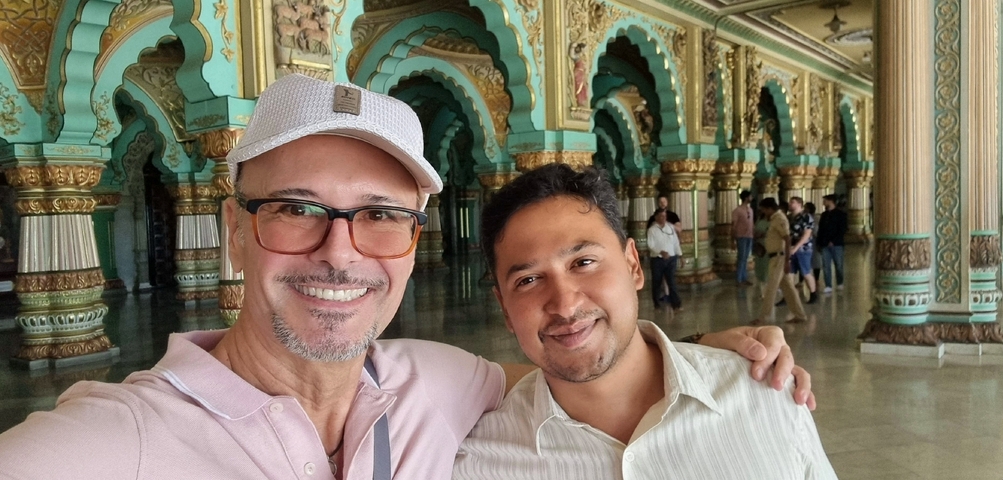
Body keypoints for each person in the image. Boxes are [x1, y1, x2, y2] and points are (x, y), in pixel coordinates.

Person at [0, 75, 811, 479]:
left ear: (414, 243)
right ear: (234, 235)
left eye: (381, 214)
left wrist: (706, 355)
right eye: (295, 208)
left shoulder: (441, 384)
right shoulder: (118, 441)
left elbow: (578, 363)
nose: (340, 251)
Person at [453, 165, 836, 479]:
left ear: (634, 265)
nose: (565, 305)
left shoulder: (765, 398)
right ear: (504, 309)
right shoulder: (479, 462)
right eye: (528, 280)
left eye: (583, 262)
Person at [756, 197, 808, 324]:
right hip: (774, 256)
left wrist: (787, 261)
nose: (763, 212)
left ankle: (763, 317)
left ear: (769, 208)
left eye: (764, 210)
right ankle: (800, 315)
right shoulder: (773, 219)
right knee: (788, 288)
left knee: (771, 287)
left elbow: (787, 238)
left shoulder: (779, 218)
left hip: (779, 257)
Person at [647, 208, 683, 311]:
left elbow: (676, 243)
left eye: (665, 216)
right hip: (657, 260)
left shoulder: (670, 228)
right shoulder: (652, 230)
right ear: (656, 217)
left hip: (671, 258)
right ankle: (657, 304)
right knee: (657, 282)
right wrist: (660, 251)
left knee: (671, 281)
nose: (663, 218)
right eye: (661, 216)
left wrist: (680, 255)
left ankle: (676, 304)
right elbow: (650, 245)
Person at [788, 197, 819, 305]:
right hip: (790, 249)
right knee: (789, 273)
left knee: (805, 272)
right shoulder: (789, 217)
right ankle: (788, 296)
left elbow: (806, 235)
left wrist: (796, 248)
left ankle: (813, 293)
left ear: (799, 204)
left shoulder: (806, 217)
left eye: (792, 202)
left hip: (803, 249)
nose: (790, 204)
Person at [816, 194, 848, 292]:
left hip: (837, 244)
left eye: (825, 200)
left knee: (838, 265)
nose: (823, 202)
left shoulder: (841, 214)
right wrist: (819, 242)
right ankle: (828, 285)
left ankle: (839, 282)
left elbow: (842, 229)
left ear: (831, 201)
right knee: (826, 266)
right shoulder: (824, 215)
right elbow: (820, 229)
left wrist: (833, 241)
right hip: (824, 244)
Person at [732, 190, 755, 286]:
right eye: (750, 196)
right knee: (741, 258)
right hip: (741, 236)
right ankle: (739, 279)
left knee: (745, 258)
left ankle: (744, 278)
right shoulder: (737, 210)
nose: (751, 198)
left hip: (749, 236)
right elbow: (733, 225)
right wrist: (732, 239)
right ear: (746, 198)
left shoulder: (750, 210)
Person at [753, 205, 771, 293]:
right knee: (760, 264)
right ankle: (761, 283)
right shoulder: (759, 221)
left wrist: (764, 234)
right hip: (759, 245)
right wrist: (757, 235)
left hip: (768, 245)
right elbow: (754, 231)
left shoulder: (772, 221)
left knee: (767, 265)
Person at [804, 202, 822, 288]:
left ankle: (816, 279)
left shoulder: (816, 218)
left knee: (816, 261)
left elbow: (816, 230)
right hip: (805, 241)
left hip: (814, 241)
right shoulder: (803, 217)